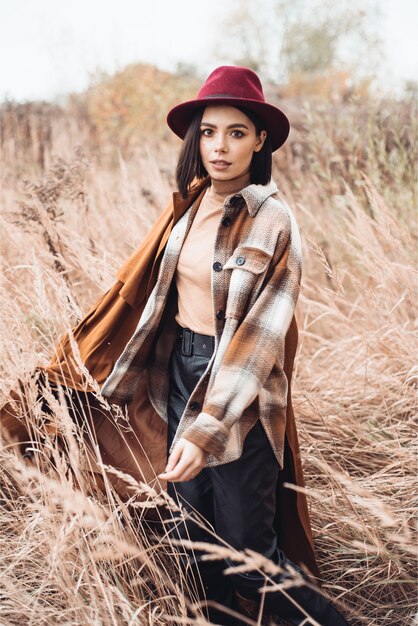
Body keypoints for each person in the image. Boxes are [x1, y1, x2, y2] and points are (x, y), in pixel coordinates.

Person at [1, 66, 350, 625]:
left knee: (248, 556)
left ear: (260, 141)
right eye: (209, 131)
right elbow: (137, 298)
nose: (220, 146)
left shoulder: (273, 222)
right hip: (178, 376)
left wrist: (209, 428)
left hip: (241, 391)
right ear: (195, 138)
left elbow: (258, 344)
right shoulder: (184, 207)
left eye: (237, 133)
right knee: (193, 539)